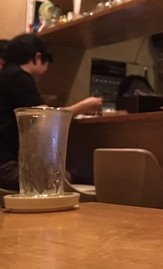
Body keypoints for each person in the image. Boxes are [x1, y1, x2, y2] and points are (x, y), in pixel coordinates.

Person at [0, 34, 103, 193]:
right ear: (38, 57)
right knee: (70, 177)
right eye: (46, 65)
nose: (43, 74)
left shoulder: (5, 75)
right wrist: (85, 105)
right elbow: (46, 119)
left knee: (68, 175)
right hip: (4, 168)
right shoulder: (18, 77)